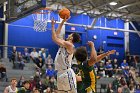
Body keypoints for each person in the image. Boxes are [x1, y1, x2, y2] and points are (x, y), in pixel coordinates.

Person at [51, 17, 80, 93]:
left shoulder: (69, 45)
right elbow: (56, 35)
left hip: (66, 72)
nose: (69, 34)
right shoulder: (65, 44)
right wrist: (63, 21)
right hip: (60, 72)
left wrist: (53, 26)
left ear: (72, 37)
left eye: (70, 34)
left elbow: (54, 38)